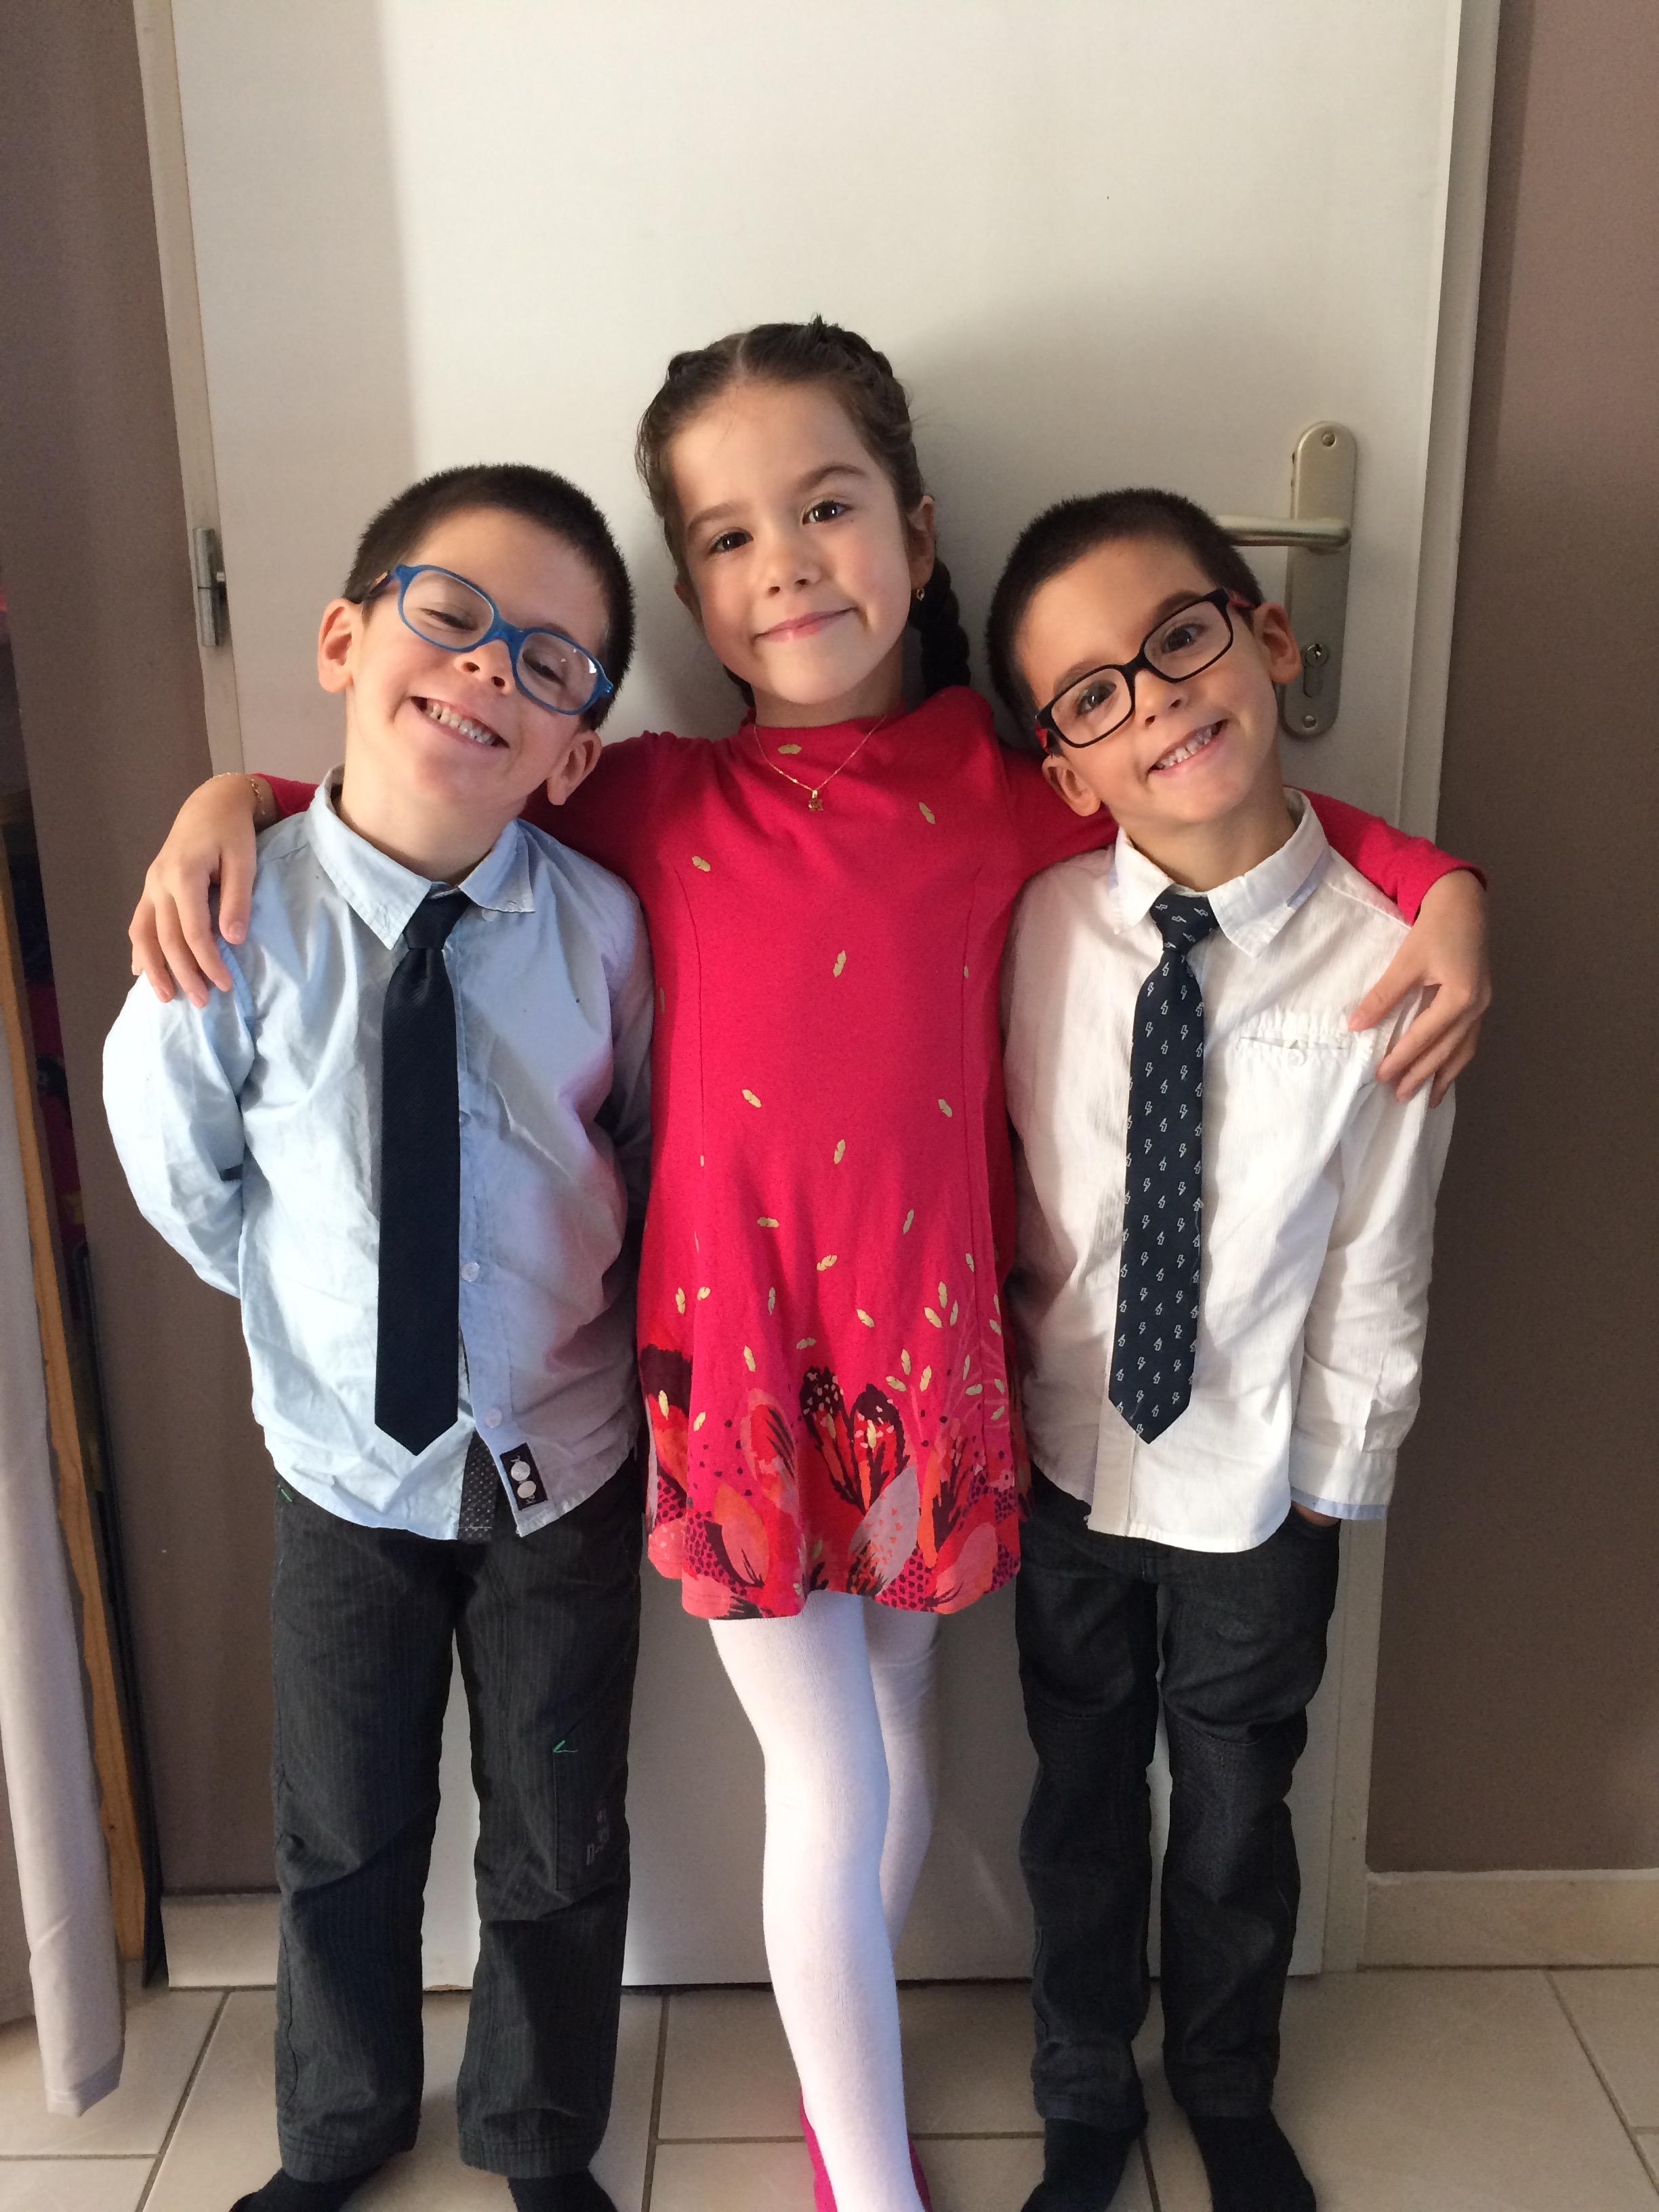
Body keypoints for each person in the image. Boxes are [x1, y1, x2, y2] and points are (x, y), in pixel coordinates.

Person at [126, 323, 1489, 2212]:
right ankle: (871, 2176)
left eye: (828, 507)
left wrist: (1444, 887)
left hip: (935, 1365)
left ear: (917, 537)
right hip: (737, 1373)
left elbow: (1230, 815)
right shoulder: (652, 795)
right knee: (830, 1777)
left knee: (902, 1730)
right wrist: (243, 801)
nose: (785, 564)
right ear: (692, 593)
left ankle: (850, 2112)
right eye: (727, 536)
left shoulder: (1019, 783)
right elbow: (427, 779)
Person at [105, 466, 653, 2212]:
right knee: (341, 1827)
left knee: (558, 1831)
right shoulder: (235, 916)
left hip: (562, 1464)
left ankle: (540, 2135)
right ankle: (339, 2127)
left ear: (574, 748)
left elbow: (641, 1150)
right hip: (343, 1470)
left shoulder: (601, 934)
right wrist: (317, 1319)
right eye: (454, 616)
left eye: (549, 662)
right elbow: (182, 1168)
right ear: (345, 640)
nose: (491, 668)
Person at [989, 489, 1457, 2212]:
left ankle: (1227, 2081)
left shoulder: (1389, 958)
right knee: (1079, 1799)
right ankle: (1080, 2097)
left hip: (1263, 1480)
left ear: (1268, 638)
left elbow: (1381, 1245)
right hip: (1067, 1462)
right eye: (1093, 693)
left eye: (1181, 638)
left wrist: (1341, 1475)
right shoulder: (1036, 927)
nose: (1159, 701)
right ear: (1065, 767)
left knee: (1241, 1803)